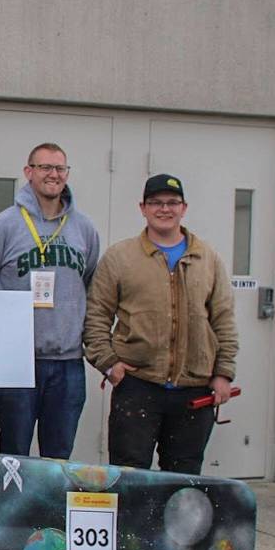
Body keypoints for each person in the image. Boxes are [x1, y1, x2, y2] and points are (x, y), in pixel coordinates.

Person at [84, 174, 238, 475]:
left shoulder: (207, 259)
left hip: (195, 390)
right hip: (138, 385)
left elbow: (223, 319)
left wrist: (223, 373)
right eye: (155, 203)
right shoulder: (120, 258)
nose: (164, 209)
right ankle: (130, 525)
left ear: (184, 208)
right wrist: (109, 365)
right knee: (129, 476)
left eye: (172, 203)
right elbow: (96, 316)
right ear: (143, 208)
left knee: (182, 480)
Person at [0, 142, 100, 459]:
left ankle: (51, 511)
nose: (53, 175)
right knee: (14, 456)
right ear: (29, 172)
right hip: (18, 362)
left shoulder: (84, 228)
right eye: (45, 167)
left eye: (60, 168)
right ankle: (14, 509)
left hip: (68, 363)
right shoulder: (3, 226)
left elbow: (90, 284)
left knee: (58, 457)